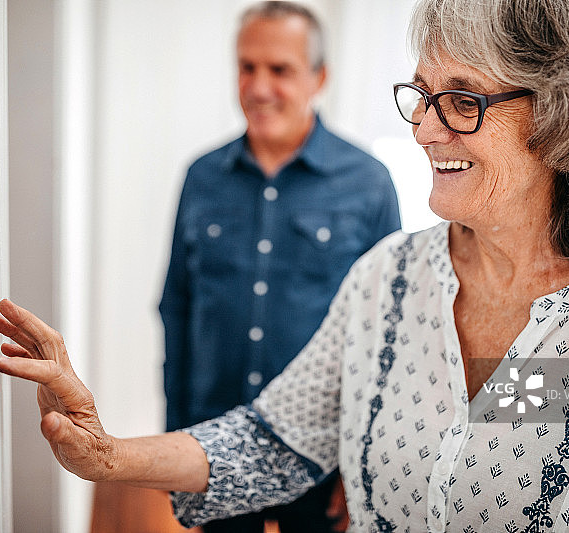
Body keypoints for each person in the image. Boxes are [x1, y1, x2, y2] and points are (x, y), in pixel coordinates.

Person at [0, 0, 569, 530]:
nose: (422, 128)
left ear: (564, 115)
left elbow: (525, 422)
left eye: (462, 100)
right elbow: (273, 439)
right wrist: (106, 453)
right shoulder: (389, 281)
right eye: (421, 94)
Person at [158, 2, 400, 530]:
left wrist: (364, 460)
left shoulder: (369, 183)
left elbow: (387, 332)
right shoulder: (201, 177)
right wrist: (176, 435)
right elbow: (175, 307)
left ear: (320, 77)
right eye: (247, 67)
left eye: (280, 70)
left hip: (320, 452)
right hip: (215, 443)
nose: (259, 86)